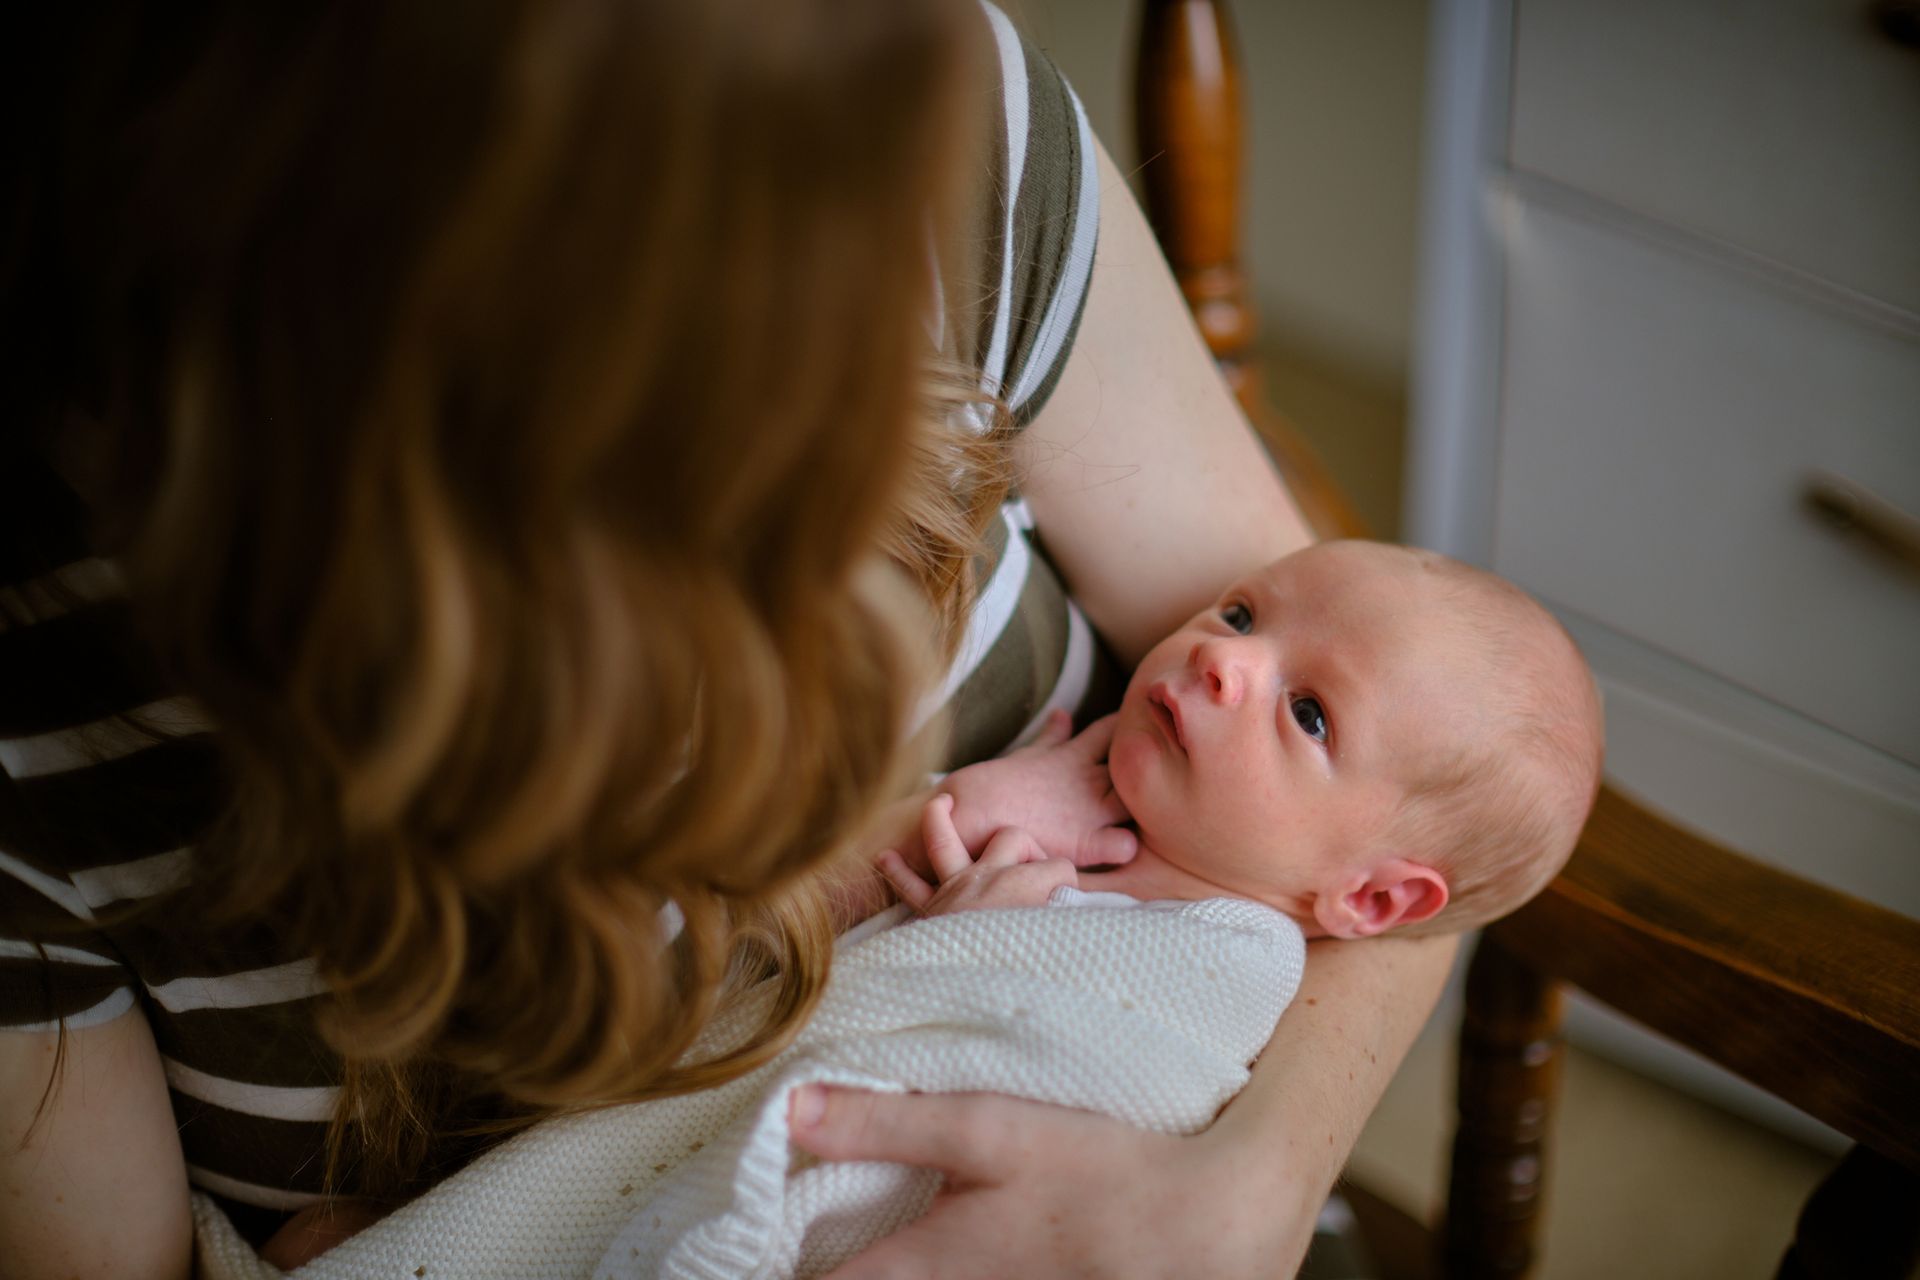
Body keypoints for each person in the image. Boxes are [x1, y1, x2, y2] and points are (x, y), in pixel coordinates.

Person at [0, 4, 1457, 1278]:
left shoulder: (925, 122)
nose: (1223, 659)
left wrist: (1253, 1184)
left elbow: (1411, 793)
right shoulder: (53, 700)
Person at [874, 540, 1605, 937]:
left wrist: (968, 939)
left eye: (1309, 714)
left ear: (1372, 899)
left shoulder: (1221, 968)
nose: (1221, 658)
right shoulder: (1152, 850)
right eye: (1243, 615)